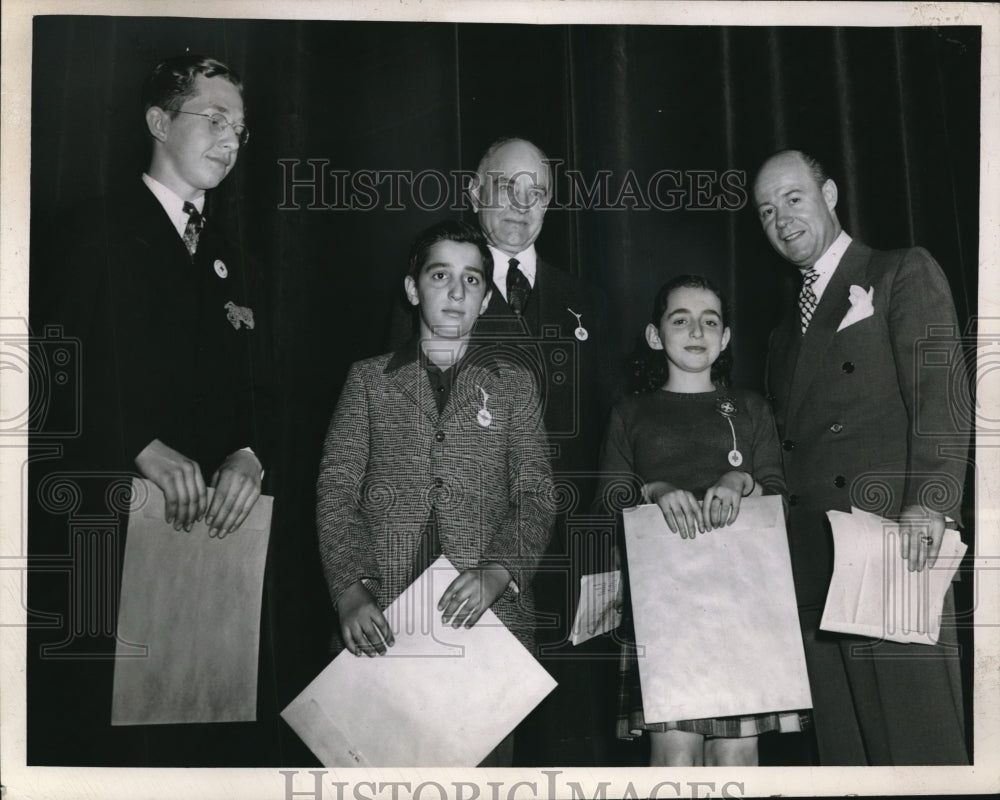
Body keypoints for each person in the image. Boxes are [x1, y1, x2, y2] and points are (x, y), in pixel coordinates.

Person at [29, 54, 272, 765]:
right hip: (101, 539)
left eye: (242, 128)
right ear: (159, 122)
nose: (231, 139)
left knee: (197, 741)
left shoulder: (238, 261)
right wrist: (135, 440)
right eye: (215, 118)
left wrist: (249, 452)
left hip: (205, 560)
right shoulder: (88, 228)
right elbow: (47, 374)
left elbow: (263, 388)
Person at [752, 149, 969, 765]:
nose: (782, 219)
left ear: (831, 194)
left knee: (916, 742)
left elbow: (940, 396)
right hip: (814, 559)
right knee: (848, 753)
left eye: (793, 198)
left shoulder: (901, 271)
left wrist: (931, 503)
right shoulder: (778, 335)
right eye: (767, 211)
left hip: (892, 541)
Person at [315, 220, 555, 767]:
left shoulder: (513, 385)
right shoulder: (368, 381)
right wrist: (350, 589)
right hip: (384, 621)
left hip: (485, 625)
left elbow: (537, 495)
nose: (456, 291)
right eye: (440, 275)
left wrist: (500, 570)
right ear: (411, 288)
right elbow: (335, 492)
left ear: (487, 299)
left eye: (473, 280)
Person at [596, 274, 802, 766]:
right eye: (680, 319)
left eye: (710, 321)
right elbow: (607, 498)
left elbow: (779, 495)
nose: (696, 331)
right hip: (662, 602)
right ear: (654, 335)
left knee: (737, 756)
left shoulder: (751, 407)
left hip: (743, 598)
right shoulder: (632, 411)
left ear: (725, 338)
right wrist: (654, 489)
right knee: (674, 756)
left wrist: (741, 483)